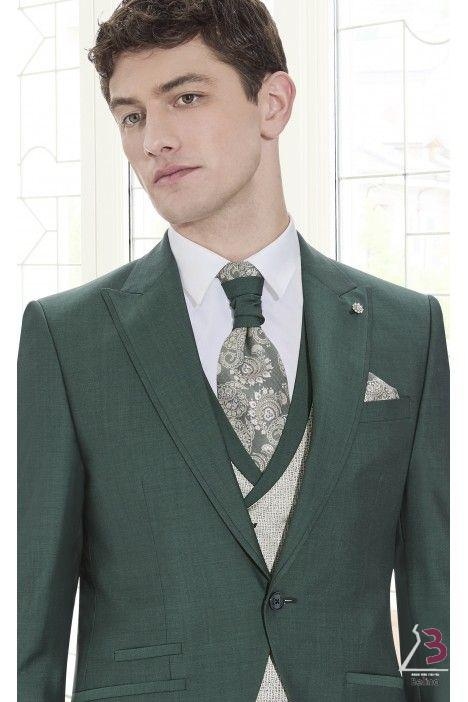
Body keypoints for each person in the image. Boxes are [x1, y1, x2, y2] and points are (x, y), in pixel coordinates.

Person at [17, 1, 449, 700]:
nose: (155, 139)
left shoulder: (408, 328)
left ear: (272, 104)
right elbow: (31, 616)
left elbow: (436, 589)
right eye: (132, 116)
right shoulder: (67, 338)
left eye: (185, 98)